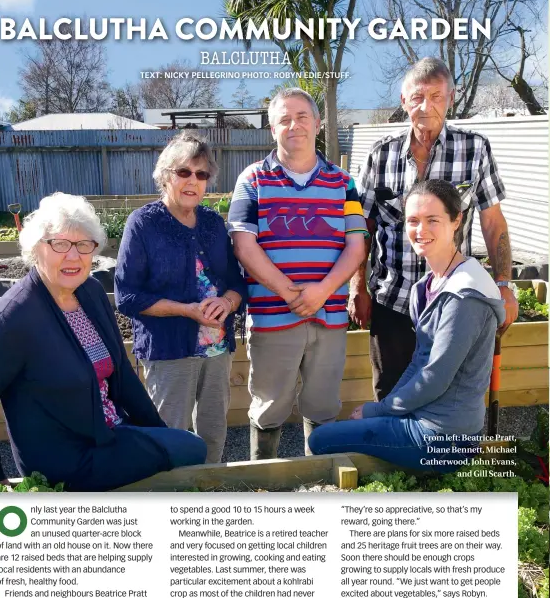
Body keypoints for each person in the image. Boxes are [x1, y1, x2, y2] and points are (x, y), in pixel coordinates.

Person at [0, 192, 207, 491]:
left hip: (109, 432)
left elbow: (120, 370)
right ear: (36, 248)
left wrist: (157, 431)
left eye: (83, 245)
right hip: (63, 459)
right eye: (60, 244)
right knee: (192, 449)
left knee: (184, 447)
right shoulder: (13, 318)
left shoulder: (89, 292)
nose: (73, 256)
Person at [351, 57, 518, 401]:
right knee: (391, 396)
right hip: (392, 300)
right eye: (417, 97)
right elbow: (362, 225)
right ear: (403, 101)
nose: (426, 106)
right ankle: (392, 457)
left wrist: (502, 284)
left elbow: (492, 221)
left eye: (436, 96)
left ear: (451, 98)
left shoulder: (474, 149)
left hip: (454, 303)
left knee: (449, 397)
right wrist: (358, 288)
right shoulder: (380, 154)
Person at [309, 179, 505, 470]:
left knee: (321, 440)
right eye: (413, 220)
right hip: (424, 418)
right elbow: (418, 363)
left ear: (456, 221)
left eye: (432, 220)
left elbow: (435, 377)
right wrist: (386, 410)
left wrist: (379, 409)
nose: (420, 230)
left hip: (446, 436)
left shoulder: (465, 296)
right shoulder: (426, 287)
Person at [228, 88, 369, 459]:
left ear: (318, 124)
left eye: (302, 117)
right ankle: (262, 488)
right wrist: (292, 294)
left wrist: (322, 292)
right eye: (284, 119)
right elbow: (244, 246)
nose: (295, 125)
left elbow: (356, 246)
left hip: (330, 318)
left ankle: (318, 484)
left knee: (323, 407)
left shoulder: (343, 182)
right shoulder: (253, 179)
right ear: (272, 129)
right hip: (274, 319)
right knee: (269, 408)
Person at [114, 132, 246, 464]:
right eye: (184, 172)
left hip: (218, 350)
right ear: (165, 175)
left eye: (201, 174)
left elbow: (237, 283)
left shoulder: (215, 224)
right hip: (169, 351)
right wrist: (186, 311)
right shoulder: (143, 224)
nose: (193, 181)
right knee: (172, 437)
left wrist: (227, 303)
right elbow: (127, 295)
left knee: (214, 434)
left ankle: (209, 497)